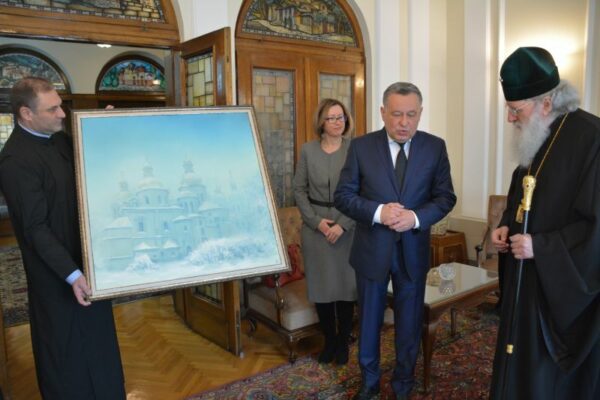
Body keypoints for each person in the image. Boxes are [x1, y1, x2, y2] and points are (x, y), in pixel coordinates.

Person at [0, 77, 126, 399]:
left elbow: (87, 161)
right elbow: (34, 228)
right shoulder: (15, 161)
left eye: (61, 106)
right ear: (26, 114)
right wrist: (72, 274)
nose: (62, 114)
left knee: (99, 345)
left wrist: (100, 130)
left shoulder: (58, 139)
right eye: (53, 109)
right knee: (67, 356)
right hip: (56, 275)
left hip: (86, 263)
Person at [490, 47, 600, 399]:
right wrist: (507, 224)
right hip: (524, 278)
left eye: (515, 110)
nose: (510, 118)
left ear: (546, 103)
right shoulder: (536, 134)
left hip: (560, 289)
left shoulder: (592, 139)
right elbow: (522, 193)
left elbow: (595, 227)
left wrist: (541, 246)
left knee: (544, 378)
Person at [334, 82, 456, 399]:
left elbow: (445, 197)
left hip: (413, 250)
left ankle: (403, 383)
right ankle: (369, 382)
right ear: (383, 112)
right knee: (369, 322)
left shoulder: (435, 147)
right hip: (371, 250)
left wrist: (414, 218)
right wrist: (379, 212)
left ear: (420, 114)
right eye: (397, 114)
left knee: (409, 324)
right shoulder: (361, 147)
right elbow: (343, 196)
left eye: (411, 115)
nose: (404, 122)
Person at [293, 98, 357, 365]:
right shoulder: (308, 150)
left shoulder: (355, 149)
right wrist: (316, 222)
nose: (337, 122)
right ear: (321, 122)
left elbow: (363, 190)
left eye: (341, 117)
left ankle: (343, 343)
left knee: (345, 290)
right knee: (322, 291)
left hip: (347, 227)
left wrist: (342, 224)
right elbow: (299, 190)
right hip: (316, 230)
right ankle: (329, 341)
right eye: (331, 118)